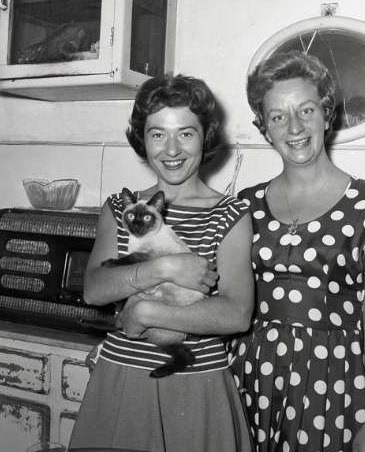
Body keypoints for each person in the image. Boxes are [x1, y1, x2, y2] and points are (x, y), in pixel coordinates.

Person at [230, 51, 365, 452]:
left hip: (331, 381)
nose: (294, 127)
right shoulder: (244, 205)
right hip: (248, 376)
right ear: (264, 128)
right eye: (278, 116)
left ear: (327, 114)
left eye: (306, 110)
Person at [69, 74, 254, 452]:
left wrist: (147, 312)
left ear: (206, 136)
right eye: (158, 134)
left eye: (186, 133)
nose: (172, 149)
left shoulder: (230, 213)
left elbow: (236, 314)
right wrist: (164, 268)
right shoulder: (119, 208)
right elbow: (94, 291)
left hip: (197, 383)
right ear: (142, 139)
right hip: (122, 379)